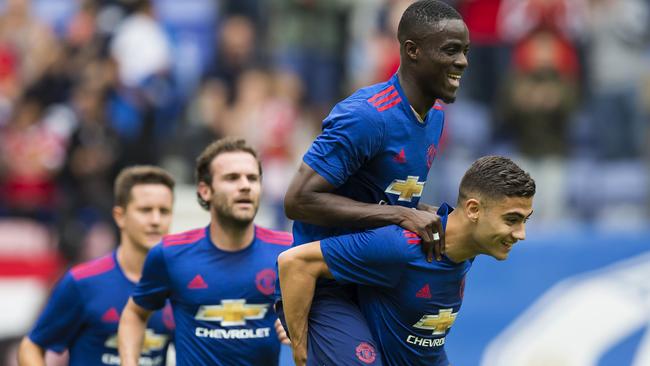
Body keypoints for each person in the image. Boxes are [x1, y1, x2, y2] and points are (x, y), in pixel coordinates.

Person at [280, 0, 470, 364]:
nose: (462, 61)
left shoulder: (436, 118)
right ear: (412, 51)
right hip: (328, 283)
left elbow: (386, 196)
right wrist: (401, 215)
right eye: (450, 50)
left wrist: (422, 211)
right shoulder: (366, 116)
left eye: (464, 51)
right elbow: (298, 200)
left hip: (382, 280)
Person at [279, 155, 536, 365]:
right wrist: (303, 351)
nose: (521, 234)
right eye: (511, 220)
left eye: (525, 220)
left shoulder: (468, 247)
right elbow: (295, 262)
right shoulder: (401, 247)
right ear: (473, 210)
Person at [118, 137, 290, 366]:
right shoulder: (170, 255)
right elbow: (134, 315)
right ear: (205, 190)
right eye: (232, 178)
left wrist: (302, 329)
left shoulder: (288, 252)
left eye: (252, 178)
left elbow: (327, 314)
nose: (245, 185)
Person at [17, 166, 176, 366]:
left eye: (164, 211)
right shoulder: (83, 282)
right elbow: (31, 346)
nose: (155, 220)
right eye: (145, 210)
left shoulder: (179, 285)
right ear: (120, 216)